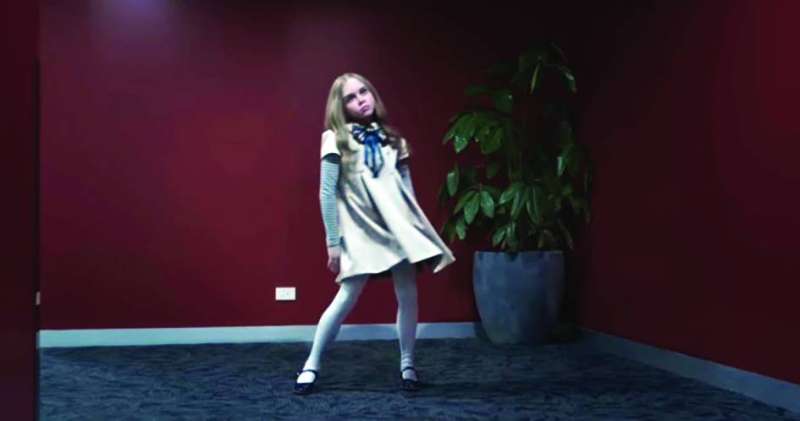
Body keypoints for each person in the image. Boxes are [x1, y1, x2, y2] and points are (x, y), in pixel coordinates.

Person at [293, 73, 456, 395]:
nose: (360, 100)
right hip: (360, 230)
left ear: (372, 93)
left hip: (397, 229)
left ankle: (408, 364)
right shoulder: (335, 138)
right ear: (341, 106)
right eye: (350, 98)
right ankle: (311, 364)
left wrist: (415, 233)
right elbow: (326, 192)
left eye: (363, 92)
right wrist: (333, 241)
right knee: (346, 296)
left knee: (408, 293)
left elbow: (407, 193)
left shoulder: (394, 141)